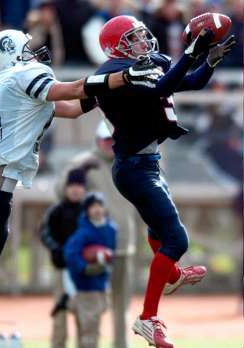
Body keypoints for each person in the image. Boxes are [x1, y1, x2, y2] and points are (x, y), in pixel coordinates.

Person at [0, 27, 151, 317]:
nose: (33, 52)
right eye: (26, 48)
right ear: (12, 53)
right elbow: (76, 89)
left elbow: (74, 107)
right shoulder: (22, 74)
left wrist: (112, 85)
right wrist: (123, 76)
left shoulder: (5, 83)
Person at [95, 15, 236, 348]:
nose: (144, 41)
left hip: (148, 163)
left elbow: (187, 82)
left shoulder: (149, 62)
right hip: (133, 168)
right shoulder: (115, 74)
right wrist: (190, 53)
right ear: (117, 48)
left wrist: (209, 62)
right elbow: (162, 87)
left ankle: (172, 276)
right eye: (134, 38)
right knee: (177, 239)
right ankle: (147, 318)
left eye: (143, 35)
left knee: (160, 232)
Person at [58, 120, 137, 348]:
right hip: (91, 248)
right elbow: (60, 191)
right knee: (90, 303)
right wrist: (79, 170)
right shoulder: (84, 163)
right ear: (97, 140)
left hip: (123, 245)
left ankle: (121, 345)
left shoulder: (130, 161)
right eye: (105, 139)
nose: (109, 144)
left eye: (113, 139)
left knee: (122, 305)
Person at [39, 169, 87, 348]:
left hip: (83, 270)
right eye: (72, 186)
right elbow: (44, 233)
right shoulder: (56, 210)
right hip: (61, 268)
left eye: (79, 186)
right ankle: (58, 344)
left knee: (83, 312)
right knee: (60, 312)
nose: (75, 190)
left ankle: (85, 344)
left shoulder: (89, 211)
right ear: (66, 188)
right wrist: (56, 249)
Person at [64, 192, 117, 348]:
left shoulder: (111, 229)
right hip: (86, 287)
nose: (97, 209)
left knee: (89, 327)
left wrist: (106, 261)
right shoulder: (83, 232)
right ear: (86, 210)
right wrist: (85, 268)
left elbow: (110, 253)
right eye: (92, 206)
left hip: (101, 283)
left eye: (99, 205)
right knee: (89, 330)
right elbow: (70, 254)